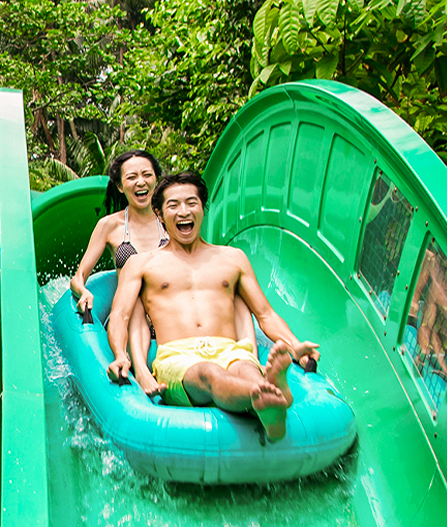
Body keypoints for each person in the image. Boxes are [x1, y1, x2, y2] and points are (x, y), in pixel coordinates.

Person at [105, 172, 319, 438]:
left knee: (246, 367)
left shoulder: (233, 258)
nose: (184, 211)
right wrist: (121, 357)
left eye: (191, 203)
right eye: (173, 205)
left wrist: (296, 346)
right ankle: (267, 396)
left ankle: (266, 397)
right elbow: (120, 316)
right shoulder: (142, 263)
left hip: (231, 349)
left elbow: (265, 314)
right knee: (209, 373)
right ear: (159, 214)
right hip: (178, 357)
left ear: (202, 209)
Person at [69, 150, 169, 395]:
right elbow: (79, 276)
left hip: (168, 310)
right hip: (131, 314)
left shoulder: (171, 219)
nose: (140, 182)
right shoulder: (111, 226)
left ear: (156, 179)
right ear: (121, 186)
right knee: (133, 294)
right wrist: (83, 292)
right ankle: (130, 364)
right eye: (132, 177)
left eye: (147, 175)